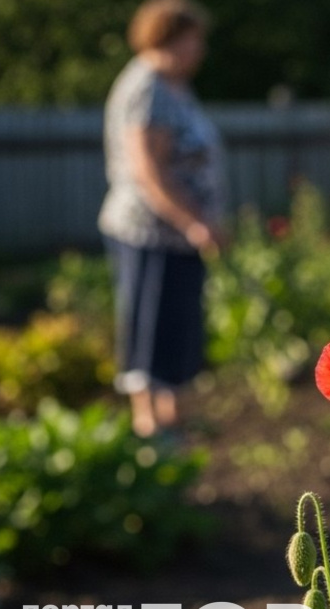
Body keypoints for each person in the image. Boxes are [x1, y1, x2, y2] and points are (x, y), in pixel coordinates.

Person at [99, 0, 224, 437]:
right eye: (193, 40)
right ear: (169, 39)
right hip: (148, 231)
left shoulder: (173, 86)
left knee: (175, 323)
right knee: (147, 321)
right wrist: (192, 221)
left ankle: (170, 412)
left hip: (178, 235)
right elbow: (148, 171)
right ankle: (147, 421)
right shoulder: (145, 87)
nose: (199, 50)